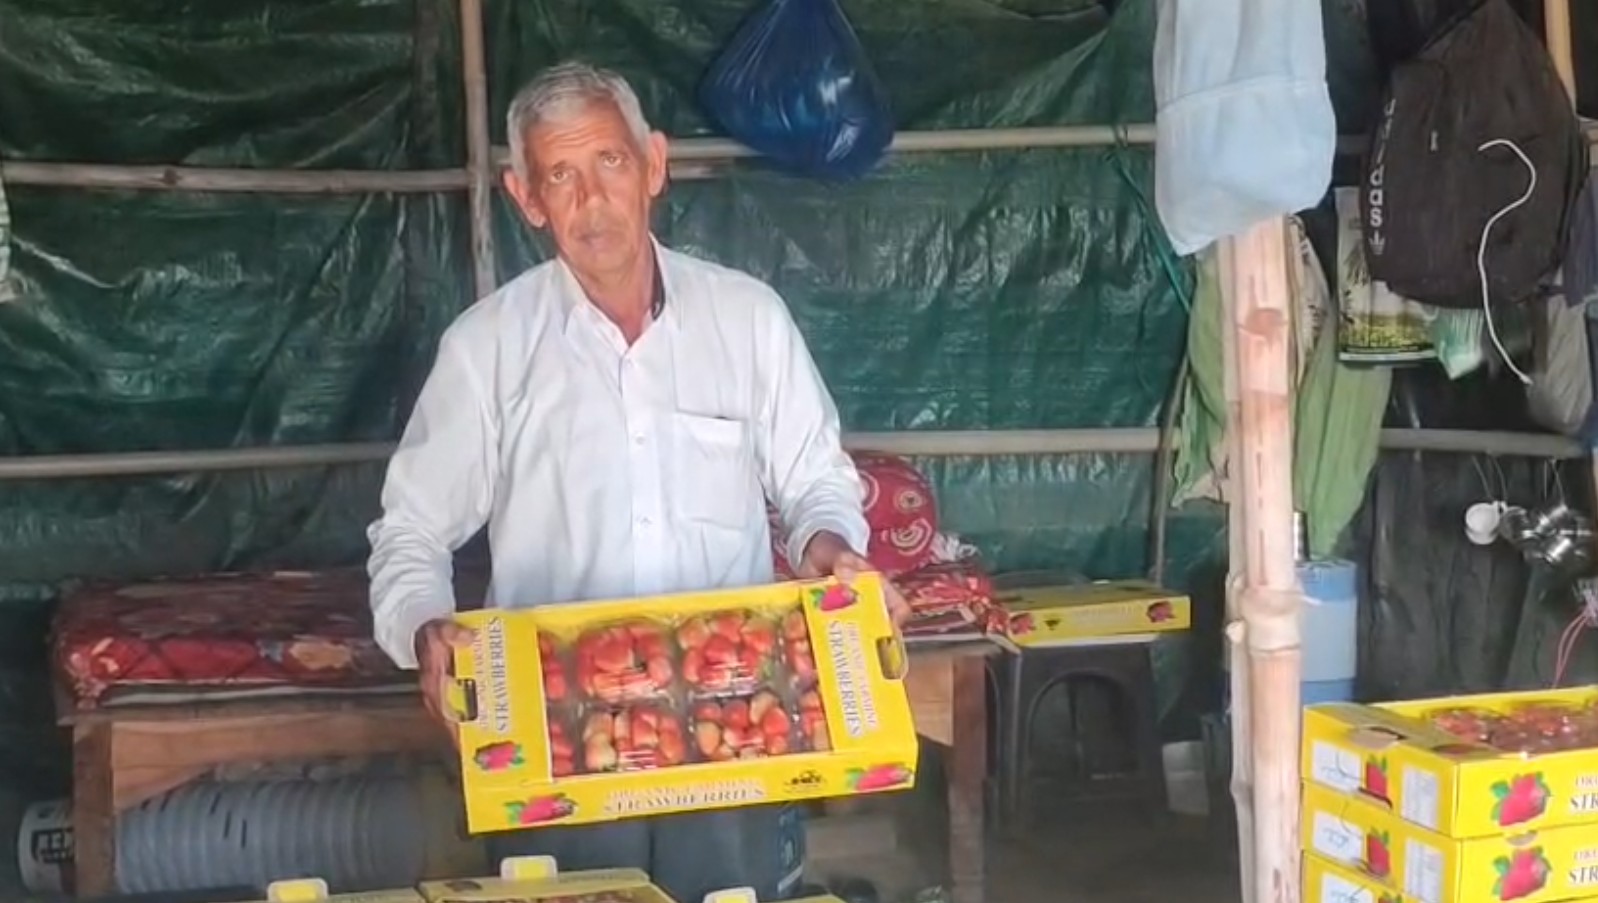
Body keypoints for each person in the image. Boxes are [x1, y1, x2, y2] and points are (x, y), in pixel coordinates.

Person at [367, 60, 909, 902]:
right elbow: (410, 529)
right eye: (560, 176)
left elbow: (816, 483)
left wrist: (831, 545)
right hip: (556, 735)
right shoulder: (487, 350)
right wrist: (423, 625)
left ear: (654, 164)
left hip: (733, 720)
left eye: (610, 162)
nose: (591, 200)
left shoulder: (747, 319)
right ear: (526, 199)